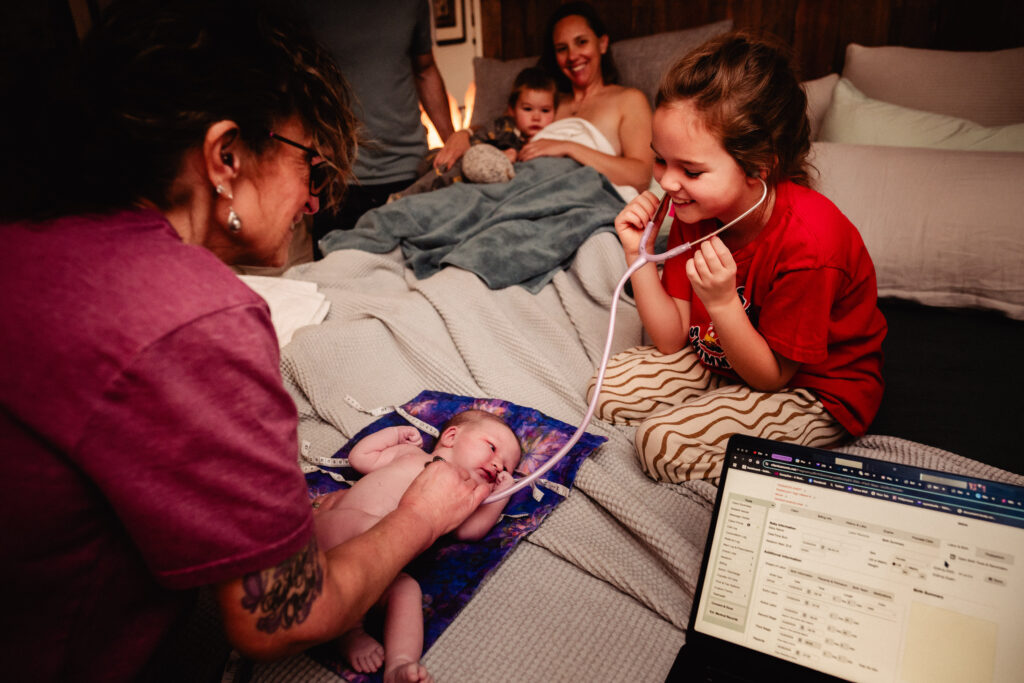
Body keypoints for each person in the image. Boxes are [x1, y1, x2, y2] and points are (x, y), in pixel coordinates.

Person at [0, 2, 490, 681]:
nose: (314, 202)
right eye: (310, 168)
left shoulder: (29, 237)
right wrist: (422, 514)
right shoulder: (198, 315)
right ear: (226, 157)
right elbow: (280, 613)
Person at [591, 32, 886, 483]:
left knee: (661, 444)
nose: (668, 183)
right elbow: (671, 338)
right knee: (606, 391)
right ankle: (717, 402)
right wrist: (639, 253)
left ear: (759, 165)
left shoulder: (810, 247)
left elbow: (772, 377)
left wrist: (725, 303)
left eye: (690, 170)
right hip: (727, 359)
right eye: (660, 161)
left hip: (811, 387)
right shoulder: (697, 206)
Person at [313, 409, 522, 682]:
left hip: (382, 563)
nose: (498, 466)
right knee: (366, 527)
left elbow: (471, 532)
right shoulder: (410, 456)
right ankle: (348, 629)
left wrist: (500, 496)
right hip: (333, 527)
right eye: (492, 448)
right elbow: (360, 458)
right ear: (450, 436)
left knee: (406, 589)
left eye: (505, 467)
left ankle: (400, 664)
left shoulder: (463, 496)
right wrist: (395, 435)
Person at [298, 0, 465, 257]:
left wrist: (452, 141)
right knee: (337, 283)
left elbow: (425, 69)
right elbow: (290, 77)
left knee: (417, 277)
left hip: (409, 171)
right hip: (339, 178)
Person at [517, 1, 654, 195]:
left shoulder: (629, 100)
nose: (572, 56)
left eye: (581, 42)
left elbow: (640, 176)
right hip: (531, 190)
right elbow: (503, 129)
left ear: (602, 43)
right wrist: (468, 134)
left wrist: (568, 147)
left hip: (583, 199)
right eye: (562, 48)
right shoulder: (549, 104)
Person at [391, 66, 558, 200]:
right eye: (527, 109)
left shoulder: (546, 140)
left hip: (473, 176)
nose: (536, 117)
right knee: (449, 171)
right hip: (453, 158)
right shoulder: (506, 126)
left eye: (545, 110)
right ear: (512, 109)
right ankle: (402, 198)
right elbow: (482, 139)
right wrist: (505, 153)